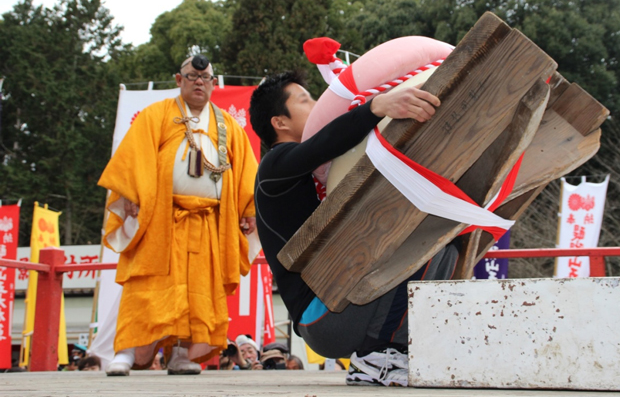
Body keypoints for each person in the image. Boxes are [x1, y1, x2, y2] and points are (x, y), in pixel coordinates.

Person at [249, 71, 459, 387]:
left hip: (343, 306)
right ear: (280, 123)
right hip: (323, 316)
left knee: (445, 248)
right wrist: (377, 107)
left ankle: (394, 351)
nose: (318, 103)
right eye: (306, 99)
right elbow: (323, 144)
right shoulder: (275, 166)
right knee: (425, 243)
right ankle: (376, 355)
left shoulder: (317, 174)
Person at [99, 54, 258, 376]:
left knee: (199, 292)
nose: (199, 82)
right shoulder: (155, 115)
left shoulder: (228, 125)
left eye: (206, 78)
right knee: (145, 288)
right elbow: (133, 158)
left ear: (213, 83)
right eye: (192, 77)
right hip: (161, 220)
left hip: (209, 224)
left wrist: (249, 211)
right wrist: (130, 194)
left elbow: (245, 174)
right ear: (178, 80)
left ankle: (182, 355)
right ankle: (126, 352)